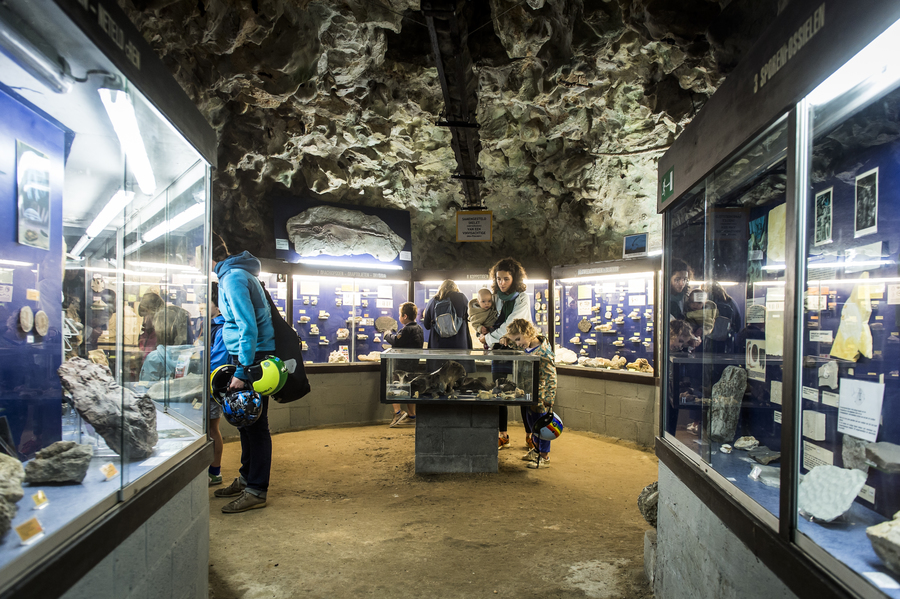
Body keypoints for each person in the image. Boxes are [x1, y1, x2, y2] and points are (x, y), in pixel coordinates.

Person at [211, 235, 276, 514]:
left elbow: (248, 327)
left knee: (256, 424)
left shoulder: (233, 278)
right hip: (248, 357)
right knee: (245, 422)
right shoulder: (233, 275)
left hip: (252, 359)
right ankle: (247, 479)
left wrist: (242, 370)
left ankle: (256, 490)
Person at [478, 258, 532, 449]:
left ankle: (530, 435)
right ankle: (503, 435)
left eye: (506, 279)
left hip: (518, 350)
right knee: (499, 392)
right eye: (499, 279)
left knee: (525, 393)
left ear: (514, 278)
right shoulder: (497, 297)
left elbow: (512, 323)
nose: (502, 283)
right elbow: (486, 317)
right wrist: (482, 331)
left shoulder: (523, 297)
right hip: (499, 351)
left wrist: (489, 338)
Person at [505, 319, 556, 469]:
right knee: (532, 423)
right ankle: (536, 450)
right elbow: (515, 342)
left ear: (528, 333)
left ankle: (544, 457)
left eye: (519, 339)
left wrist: (549, 398)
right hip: (528, 394)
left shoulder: (544, 352)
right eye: (515, 340)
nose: (517, 343)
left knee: (542, 426)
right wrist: (507, 338)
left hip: (540, 396)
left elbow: (551, 375)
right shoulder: (526, 345)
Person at [384, 301, 424, 427]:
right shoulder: (418, 328)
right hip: (413, 365)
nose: (399, 317)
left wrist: (387, 334)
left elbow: (396, 341)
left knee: (394, 387)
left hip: (401, 366)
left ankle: (398, 413)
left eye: (400, 314)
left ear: (405, 316)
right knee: (409, 389)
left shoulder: (407, 329)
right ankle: (412, 415)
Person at [421, 279, 472, 373]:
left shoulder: (432, 301)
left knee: (438, 380)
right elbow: (470, 316)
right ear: (455, 288)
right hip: (460, 347)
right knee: (459, 378)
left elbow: (427, 325)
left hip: (438, 349)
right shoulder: (462, 298)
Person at [208, 282, 227, 486]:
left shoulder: (220, 327)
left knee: (213, 428)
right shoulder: (211, 324)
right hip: (207, 381)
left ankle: (215, 471)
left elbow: (219, 360)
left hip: (212, 383)